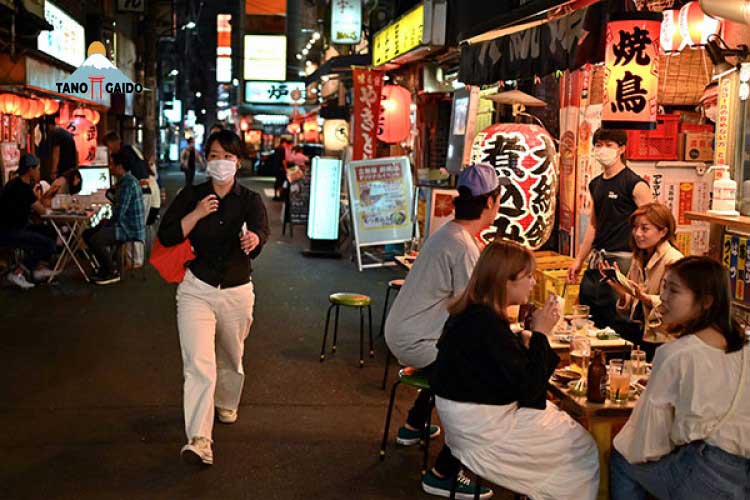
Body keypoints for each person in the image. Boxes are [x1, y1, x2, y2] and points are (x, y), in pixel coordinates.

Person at [432, 240, 600, 500]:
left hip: (464, 419)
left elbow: (508, 374)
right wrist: (541, 335)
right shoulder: (486, 322)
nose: (533, 283)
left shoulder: (474, 313)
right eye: (528, 276)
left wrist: (528, 340)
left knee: (565, 424)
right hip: (483, 427)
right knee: (582, 445)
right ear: (505, 281)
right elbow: (532, 394)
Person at [384, 163, 502, 498]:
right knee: (481, 383)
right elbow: (475, 311)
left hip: (404, 331)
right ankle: (443, 473)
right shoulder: (464, 246)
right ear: (491, 202)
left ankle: (414, 425)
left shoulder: (449, 233)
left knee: (455, 360)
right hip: (418, 340)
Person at [158, 130, 270, 466]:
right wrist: (196, 214)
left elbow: (262, 231)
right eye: (216, 155)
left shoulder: (250, 199)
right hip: (197, 288)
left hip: (237, 291)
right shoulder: (192, 195)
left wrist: (254, 240)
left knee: (231, 359)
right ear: (207, 159)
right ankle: (200, 439)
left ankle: (226, 402)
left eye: (228, 156)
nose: (221, 162)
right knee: (199, 366)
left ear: (238, 161)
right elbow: (166, 234)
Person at [611, 256, 750, 500]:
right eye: (664, 287)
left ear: (706, 302)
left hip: (703, 474)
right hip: (742, 476)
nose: (662, 297)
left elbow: (648, 443)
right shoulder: (745, 348)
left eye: (673, 290)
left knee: (622, 457)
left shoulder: (676, 354)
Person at [567, 128, 653, 329]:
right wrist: (579, 260)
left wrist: (646, 262)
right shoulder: (595, 184)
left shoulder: (635, 184)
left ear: (621, 149)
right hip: (597, 261)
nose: (603, 150)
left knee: (619, 319)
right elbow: (594, 226)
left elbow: (653, 224)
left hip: (623, 262)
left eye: (609, 145)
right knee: (589, 317)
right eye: (598, 145)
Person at [599, 203, 683, 360]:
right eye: (635, 227)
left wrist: (645, 298)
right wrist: (622, 292)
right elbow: (634, 300)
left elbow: (676, 304)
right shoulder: (639, 256)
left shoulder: (674, 260)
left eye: (645, 228)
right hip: (642, 333)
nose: (637, 233)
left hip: (664, 339)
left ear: (663, 231)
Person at [82, 152, 145, 285]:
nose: (110, 167)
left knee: (96, 239)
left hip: (128, 228)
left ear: (120, 167)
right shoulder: (125, 181)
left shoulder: (128, 183)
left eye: (112, 164)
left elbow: (119, 213)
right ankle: (103, 268)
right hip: (124, 224)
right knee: (87, 234)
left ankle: (111, 271)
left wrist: (106, 225)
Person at [0, 154, 58, 289]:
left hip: (18, 227)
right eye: (37, 169)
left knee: (50, 232)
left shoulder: (15, 183)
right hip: (10, 231)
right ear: (30, 170)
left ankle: (37, 269)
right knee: (48, 243)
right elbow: (41, 211)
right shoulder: (22, 188)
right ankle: (17, 272)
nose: (38, 172)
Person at [45, 114, 78, 179]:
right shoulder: (64, 132)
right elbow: (76, 152)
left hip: (64, 168)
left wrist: (53, 171)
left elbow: (56, 153)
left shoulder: (56, 134)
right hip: (71, 167)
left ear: (49, 126)